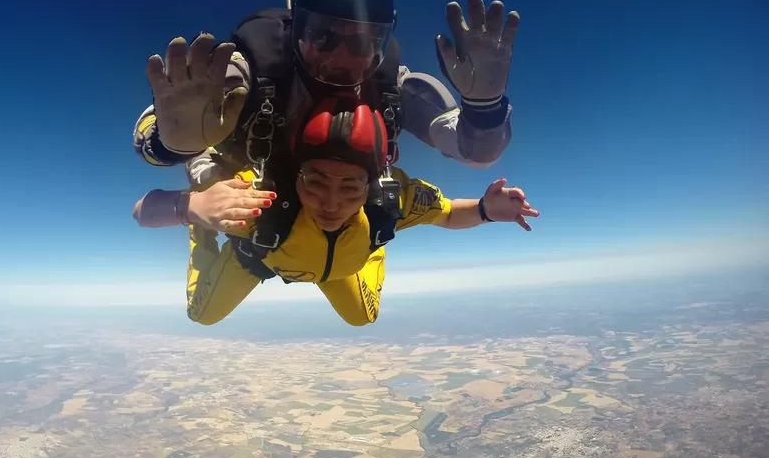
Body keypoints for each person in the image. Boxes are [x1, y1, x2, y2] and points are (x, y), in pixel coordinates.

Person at [134, 92, 539, 327]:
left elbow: (449, 212)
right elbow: (142, 211)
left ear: (370, 185)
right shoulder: (257, 199)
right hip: (255, 257)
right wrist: (193, 207)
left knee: (363, 317)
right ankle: (203, 172)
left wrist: (486, 210)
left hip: (341, 263)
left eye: (350, 188)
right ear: (295, 178)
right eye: (315, 183)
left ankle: (370, 244)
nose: (331, 203)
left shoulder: (391, 196)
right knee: (201, 315)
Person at [133, 0, 520, 185]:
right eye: (322, 36)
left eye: (364, 42)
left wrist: (484, 109)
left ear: (383, 43)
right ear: (296, 28)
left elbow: (472, 152)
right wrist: (173, 145)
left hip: (332, 209)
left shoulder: (392, 85)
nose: (341, 57)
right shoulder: (251, 69)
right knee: (210, 178)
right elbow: (150, 131)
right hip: (248, 193)